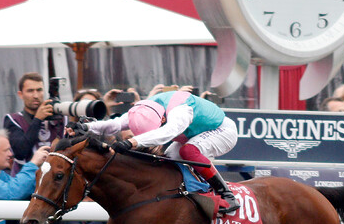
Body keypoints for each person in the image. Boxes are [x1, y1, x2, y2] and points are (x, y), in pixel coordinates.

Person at [82, 89, 240, 213]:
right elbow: (115, 125)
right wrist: (86, 127)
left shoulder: (181, 111)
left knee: (189, 152)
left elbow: (167, 133)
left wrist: (131, 142)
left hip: (223, 131)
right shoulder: (143, 109)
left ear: (162, 120)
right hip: (194, 133)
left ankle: (226, 194)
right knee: (168, 160)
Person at [3, 72, 64, 175]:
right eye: (30, 91)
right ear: (20, 94)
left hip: (54, 181)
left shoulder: (61, 119)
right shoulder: (13, 120)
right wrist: (38, 119)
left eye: (39, 90)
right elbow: (20, 152)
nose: (36, 96)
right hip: (27, 182)